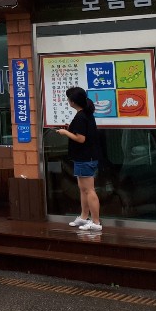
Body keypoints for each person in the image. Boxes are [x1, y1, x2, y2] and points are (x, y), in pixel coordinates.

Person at [56, 86, 102, 232]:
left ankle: (95, 222)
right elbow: (82, 132)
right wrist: (70, 128)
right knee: (83, 189)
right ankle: (83, 217)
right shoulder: (85, 114)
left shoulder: (81, 116)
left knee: (89, 190)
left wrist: (65, 132)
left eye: (69, 99)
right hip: (84, 157)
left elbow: (81, 138)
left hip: (85, 157)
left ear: (73, 102)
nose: (68, 101)